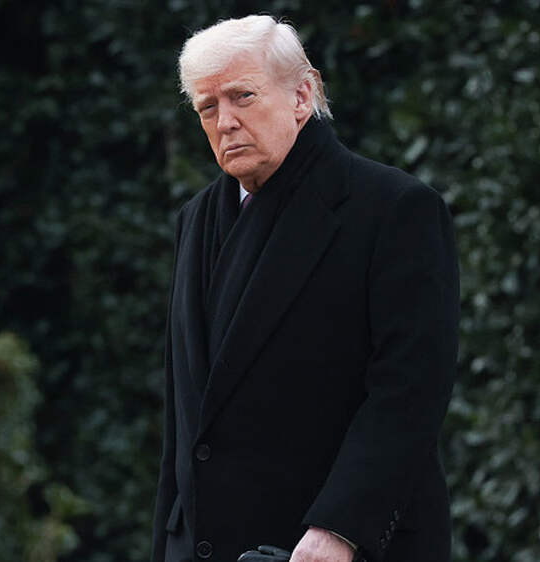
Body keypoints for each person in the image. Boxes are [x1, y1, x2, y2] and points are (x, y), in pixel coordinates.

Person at [152, 15, 459, 562]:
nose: (225, 122)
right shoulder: (194, 219)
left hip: (325, 546)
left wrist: (339, 529)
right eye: (207, 107)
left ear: (302, 95)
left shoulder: (394, 208)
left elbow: (410, 390)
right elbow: (186, 422)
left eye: (243, 96)